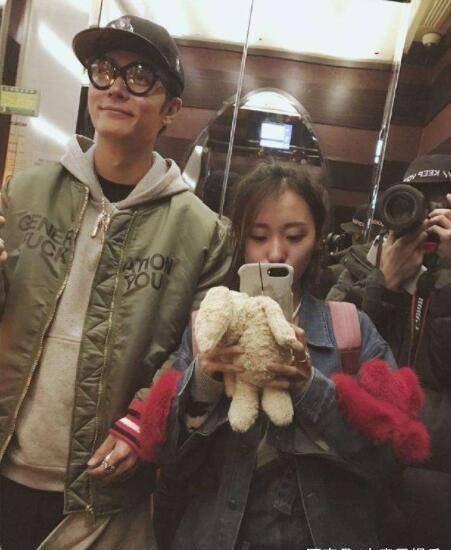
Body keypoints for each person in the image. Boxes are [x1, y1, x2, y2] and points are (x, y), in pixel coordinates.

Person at [0, 15, 231, 549]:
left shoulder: (201, 232)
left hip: (103, 499)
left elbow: (197, 354)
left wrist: (144, 420)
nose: (117, 88)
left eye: (141, 76)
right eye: (104, 70)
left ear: (171, 108)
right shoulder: (25, 192)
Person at [143, 162, 428, 550]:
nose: (276, 252)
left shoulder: (349, 329)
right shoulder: (206, 329)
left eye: (295, 236)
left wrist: (312, 388)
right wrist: (204, 382)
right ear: (240, 240)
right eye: (258, 236)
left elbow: (392, 459)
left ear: (318, 239)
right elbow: (165, 458)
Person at [327, 154, 451, 546]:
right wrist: (383, 285)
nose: (425, 216)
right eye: (415, 201)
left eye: (439, 204)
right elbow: (329, 356)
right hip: (356, 461)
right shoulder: (360, 265)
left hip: (434, 480)